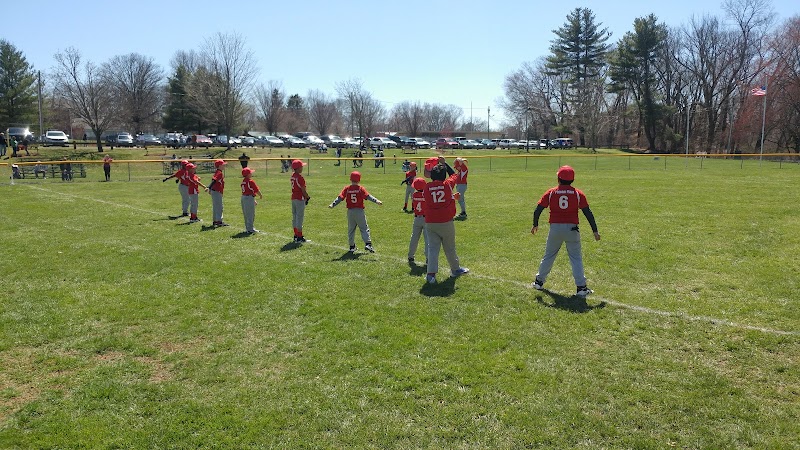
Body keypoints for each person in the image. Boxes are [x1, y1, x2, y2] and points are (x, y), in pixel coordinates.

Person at [531, 165, 601, 297]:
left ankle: (538, 282)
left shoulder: (551, 192)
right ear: (573, 180)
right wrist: (595, 231)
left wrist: (535, 224)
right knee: (576, 258)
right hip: (572, 229)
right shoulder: (578, 193)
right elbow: (588, 213)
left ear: (558, 178)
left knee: (549, 255)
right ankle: (581, 288)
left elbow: (538, 209)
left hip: (555, 229)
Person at [422, 159, 469, 284]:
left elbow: (434, 200)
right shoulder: (447, 184)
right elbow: (454, 175)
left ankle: (431, 275)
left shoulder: (426, 188)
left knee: (432, 248)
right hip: (445, 221)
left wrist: (452, 197)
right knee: (450, 248)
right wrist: (445, 163)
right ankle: (455, 269)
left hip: (430, 221)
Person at [328, 171, 382, 253]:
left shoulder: (347, 188)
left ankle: (352, 246)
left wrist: (333, 204)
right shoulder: (360, 189)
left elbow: (340, 197)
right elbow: (368, 196)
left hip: (350, 212)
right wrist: (376, 201)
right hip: (359, 211)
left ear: (350, 179)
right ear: (359, 180)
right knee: (364, 228)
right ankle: (368, 244)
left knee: (351, 229)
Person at [407, 177, 428, 264]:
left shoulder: (414, 195)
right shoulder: (426, 195)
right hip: (426, 219)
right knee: (427, 239)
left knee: (414, 237)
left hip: (417, 218)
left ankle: (411, 255)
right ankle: (428, 257)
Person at [290, 159, 311, 243]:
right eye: (301, 166)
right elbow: (303, 190)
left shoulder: (292, 176)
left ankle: (296, 235)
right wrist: (307, 197)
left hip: (293, 198)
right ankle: (299, 236)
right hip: (299, 198)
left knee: (295, 217)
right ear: (298, 168)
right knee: (299, 217)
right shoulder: (300, 177)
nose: (302, 168)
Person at [240, 167, 263, 234]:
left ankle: (248, 227)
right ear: (248, 174)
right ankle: (250, 229)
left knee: (246, 214)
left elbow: (248, 191)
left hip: (244, 198)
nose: (251, 174)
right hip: (248, 198)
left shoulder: (243, 181)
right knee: (250, 214)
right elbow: (256, 190)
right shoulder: (250, 181)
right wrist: (260, 195)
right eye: (250, 173)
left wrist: (253, 200)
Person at [207, 159, 229, 227]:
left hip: (215, 191)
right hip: (216, 191)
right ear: (219, 166)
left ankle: (215, 221)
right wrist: (209, 187)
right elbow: (214, 180)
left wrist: (210, 189)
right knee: (219, 207)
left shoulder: (218, 172)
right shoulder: (219, 173)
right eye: (223, 165)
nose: (224, 166)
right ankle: (219, 221)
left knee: (216, 206)